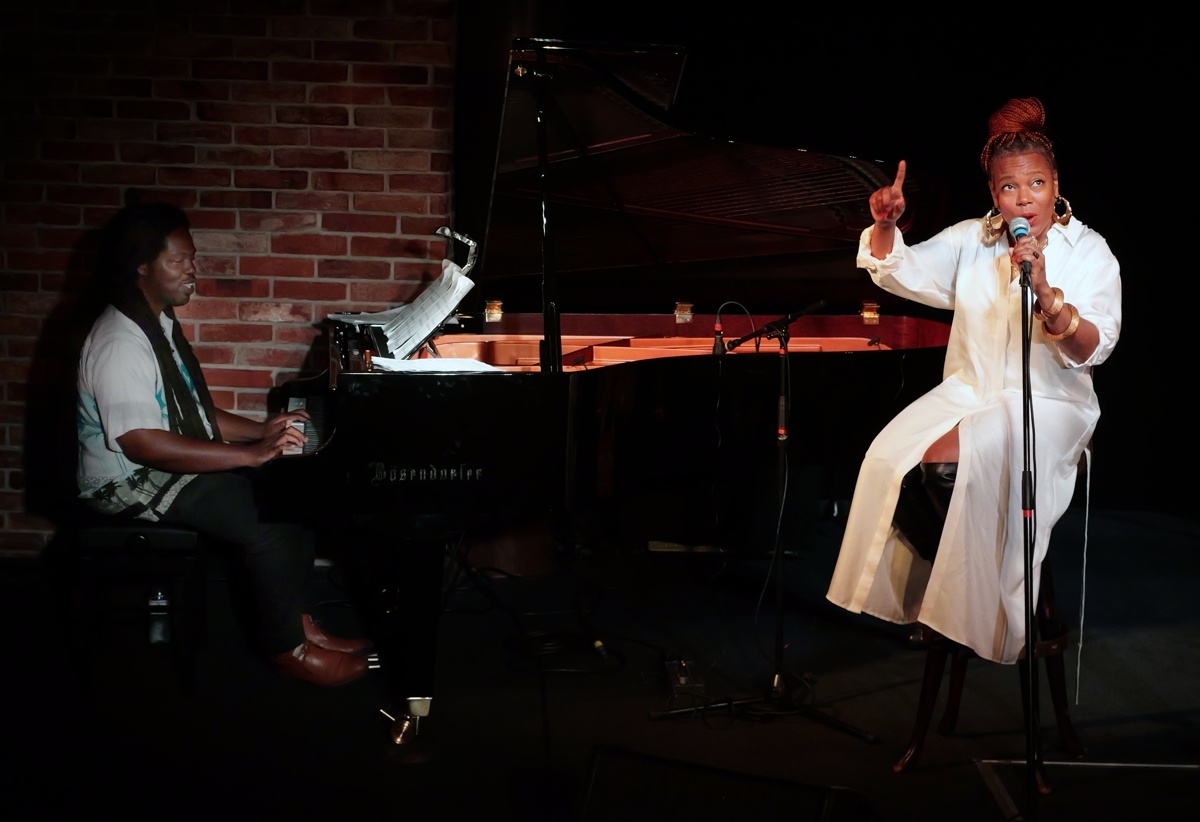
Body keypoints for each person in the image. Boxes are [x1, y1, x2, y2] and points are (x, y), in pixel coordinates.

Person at [826, 98, 1121, 664]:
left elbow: (1094, 346)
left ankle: (979, 603)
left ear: (1056, 184)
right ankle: (956, 594)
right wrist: (886, 227)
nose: (1025, 198)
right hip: (970, 389)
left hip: (1051, 403)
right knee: (887, 462)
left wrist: (1046, 293)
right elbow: (900, 269)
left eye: (1037, 183)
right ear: (993, 193)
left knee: (943, 466)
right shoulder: (972, 240)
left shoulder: (1089, 251)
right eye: (1010, 187)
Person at [77, 203, 370, 686]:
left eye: (192, 258)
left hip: (155, 463)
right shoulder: (120, 342)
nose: (192, 269)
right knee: (268, 522)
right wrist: (249, 455)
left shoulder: (156, 323)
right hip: (126, 482)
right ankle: (287, 650)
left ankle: (299, 622)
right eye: (179, 260)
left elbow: (189, 413)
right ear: (140, 266)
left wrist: (262, 430)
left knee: (293, 497)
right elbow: (141, 442)